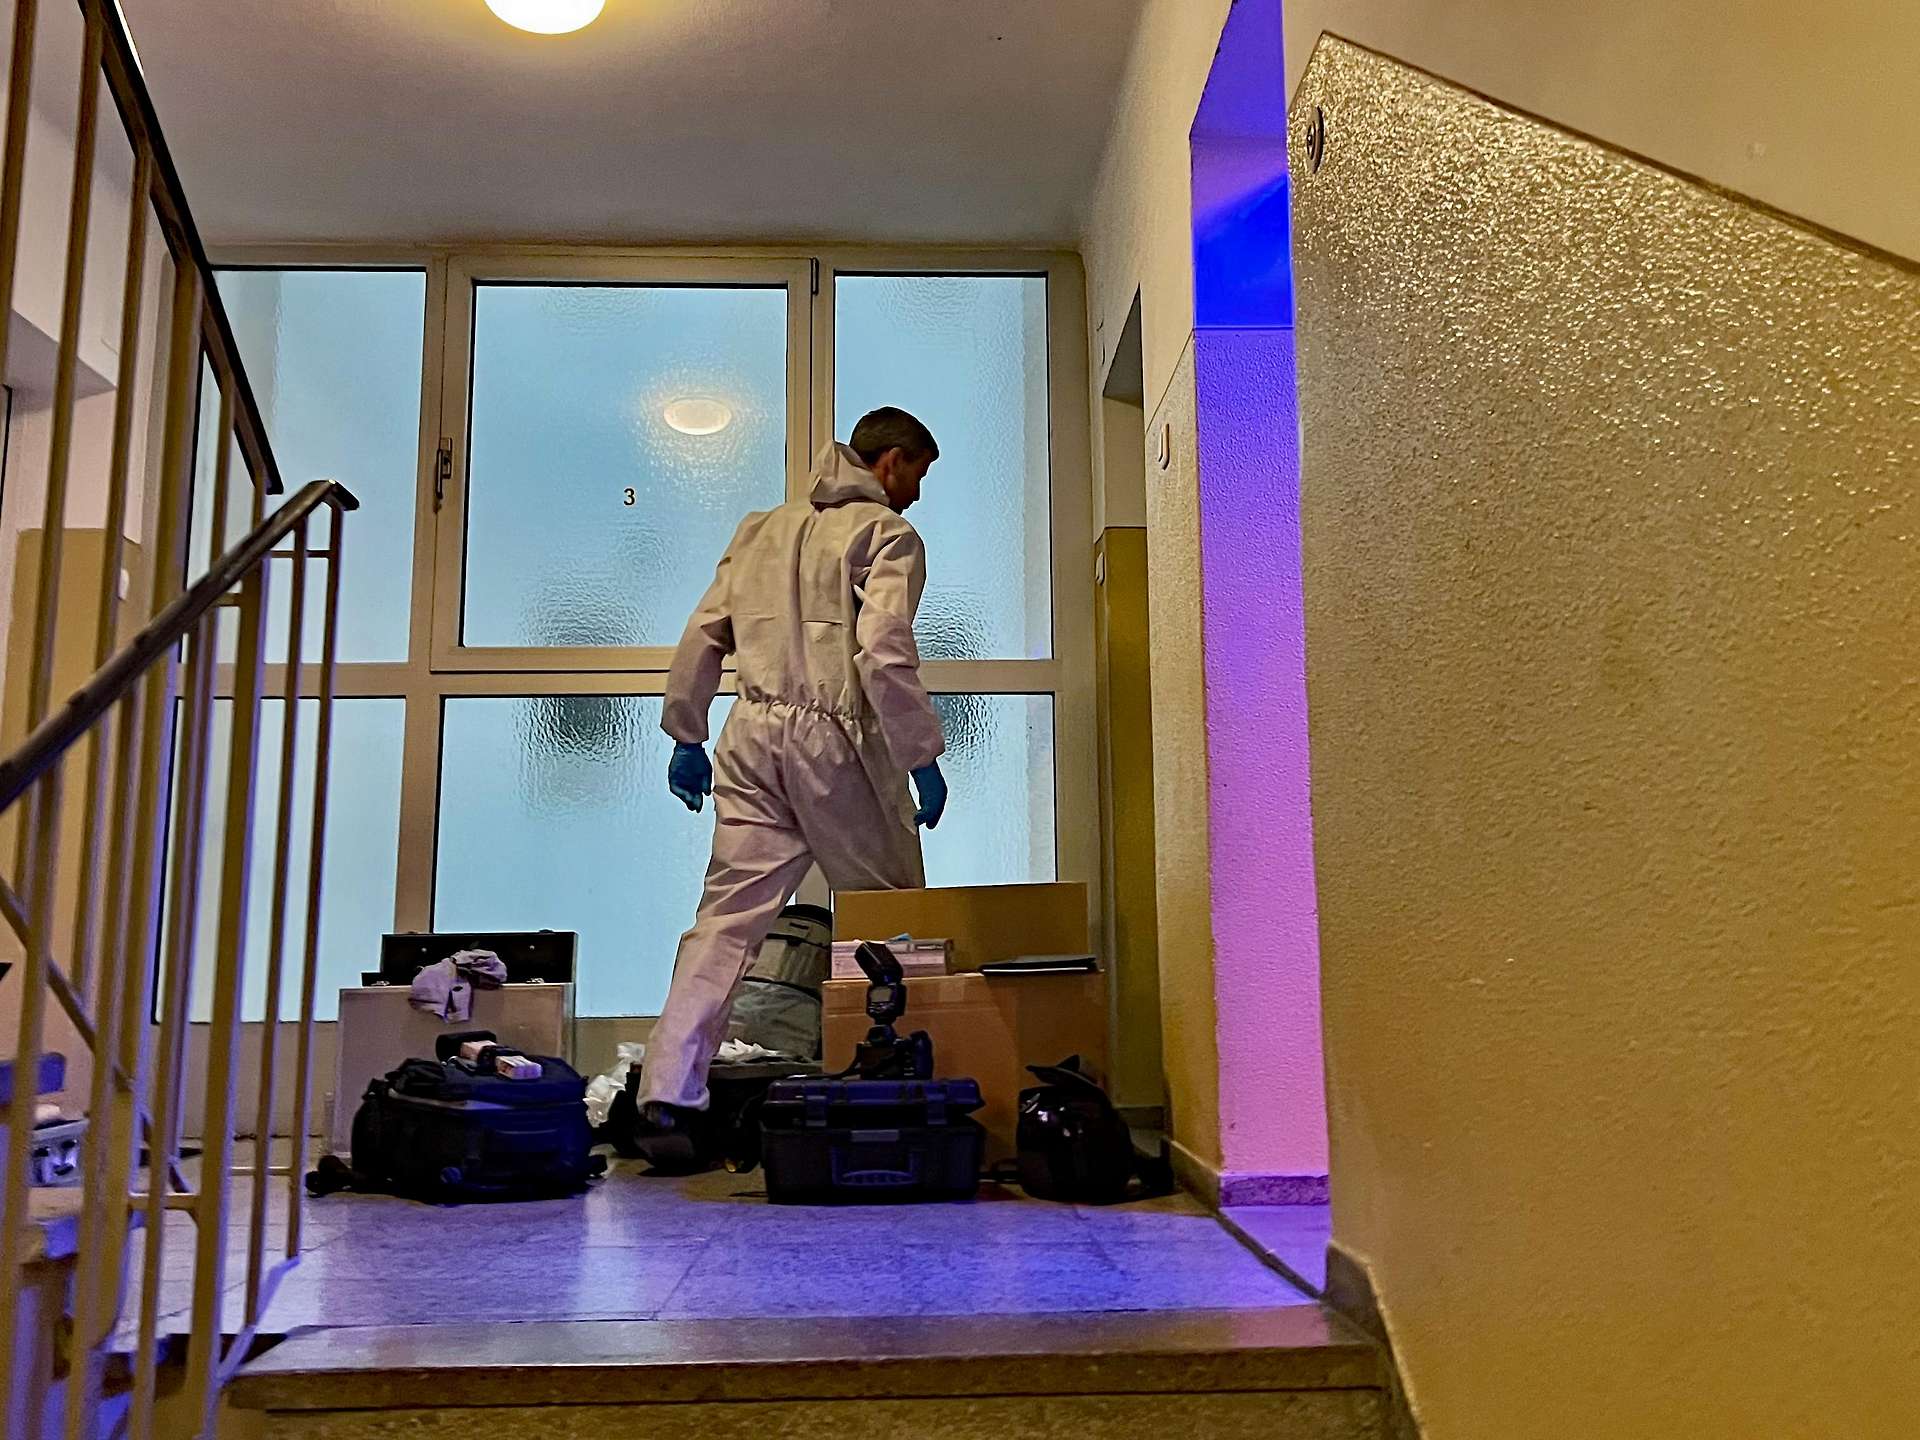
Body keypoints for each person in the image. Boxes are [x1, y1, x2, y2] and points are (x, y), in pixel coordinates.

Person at [630, 407, 949, 1165]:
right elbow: (882, 651)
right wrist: (920, 755)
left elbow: (703, 633)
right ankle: (904, 1093)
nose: (916, 494)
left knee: (724, 924)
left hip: (750, 738)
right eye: (918, 475)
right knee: (889, 915)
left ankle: (666, 1094)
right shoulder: (888, 535)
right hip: (833, 743)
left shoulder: (759, 529)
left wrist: (687, 733)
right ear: (891, 461)